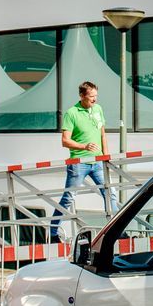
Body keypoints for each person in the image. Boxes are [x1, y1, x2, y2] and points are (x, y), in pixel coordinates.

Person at [56, 81, 108, 242]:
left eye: (96, 96)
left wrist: (106, 156)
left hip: (98, 161)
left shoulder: (98, 109)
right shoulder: (71, 113)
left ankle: (118, 230)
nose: (95, 99)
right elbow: (65, 141)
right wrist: (84, 146)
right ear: (82, 96)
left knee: (110, 193)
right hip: (79, 163)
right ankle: (52, 232)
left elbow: (102, 134)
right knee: (69, 197)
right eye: (91, 96)